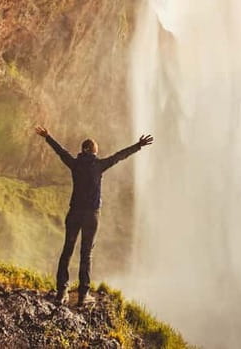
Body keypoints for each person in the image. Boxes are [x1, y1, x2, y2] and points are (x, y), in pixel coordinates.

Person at [35, 125, 153, 306]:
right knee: (86, 254)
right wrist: (138, 145)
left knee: (67, 250)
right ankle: (83, 295)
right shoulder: (99, 165)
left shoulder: (74, 163)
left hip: (74, 213)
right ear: (91, 150)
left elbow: (61, 151)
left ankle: (61, 292)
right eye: (96, 149)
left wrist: (48, 136)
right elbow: (118, 156)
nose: (98, 151)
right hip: (91, 216)